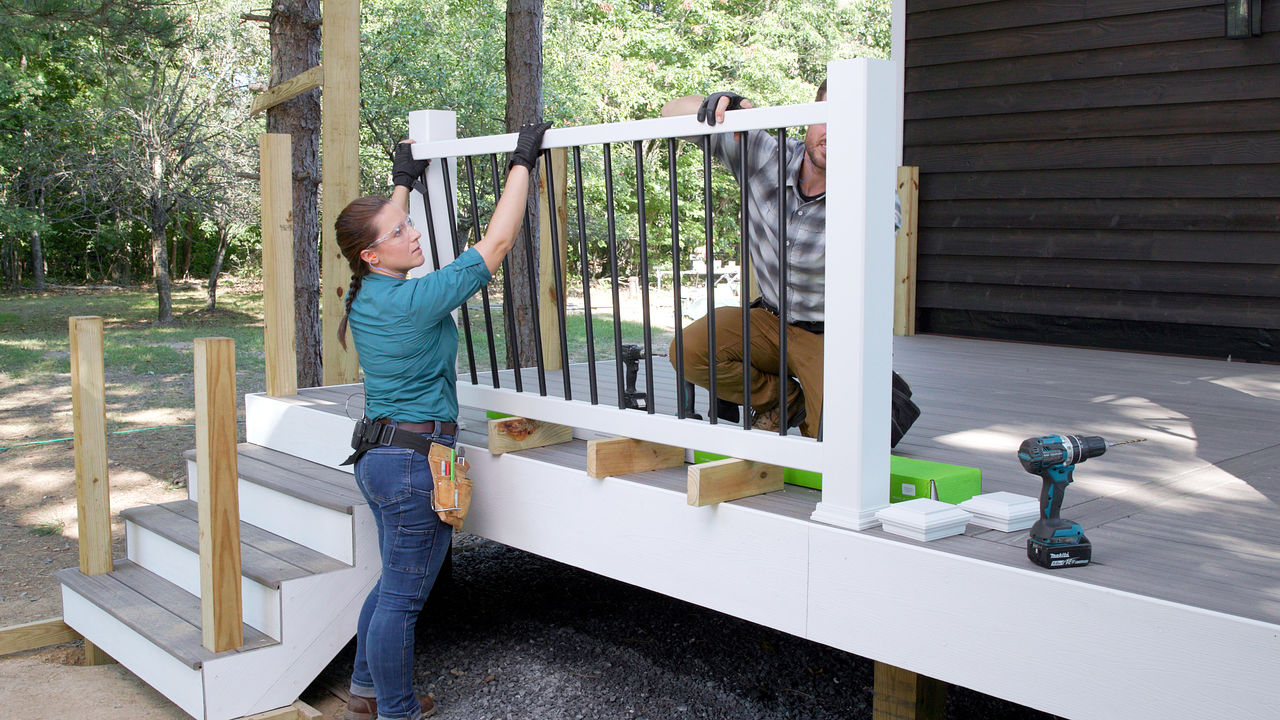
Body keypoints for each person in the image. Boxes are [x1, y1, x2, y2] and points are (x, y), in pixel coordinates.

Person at [335, 121, 551, 720]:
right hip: (412, 467)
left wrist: (402, 181)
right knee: (402, 602)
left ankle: (365, 691)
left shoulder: (367, 293)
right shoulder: (414, 301)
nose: (413, 233)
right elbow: (498, 243)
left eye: (407, 223)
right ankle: (397, 710)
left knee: (391, 587)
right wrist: (523, 161)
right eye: (400, 231)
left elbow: (380, 229)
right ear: (372, 255)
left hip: (380, 459)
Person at [661, 83, 832, 437]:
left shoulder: (868, 186)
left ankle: (841, 397)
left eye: (846, 120)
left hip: (828, 334)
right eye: (826, 116)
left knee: (831, 441)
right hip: (769, 320)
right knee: (690, 350)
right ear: (810, 116)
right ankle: (785, 400)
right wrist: (720, 105)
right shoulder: (767, 155)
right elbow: (669, 112)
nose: (832, 132)